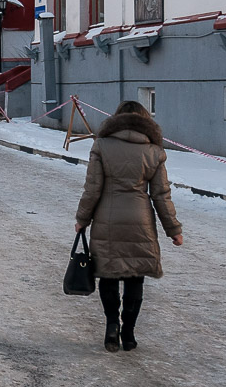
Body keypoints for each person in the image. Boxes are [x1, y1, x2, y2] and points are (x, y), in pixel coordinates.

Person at [75, 100, 184, 352]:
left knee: (109, 275)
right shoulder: (154, 151)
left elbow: (93, 189)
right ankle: (130, 333)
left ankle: (112, 326)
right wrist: (173, 230)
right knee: (135, 277)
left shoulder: (101, 145)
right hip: (140, 221)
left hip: (107, 219)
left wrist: (82, 219)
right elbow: (161, 195)